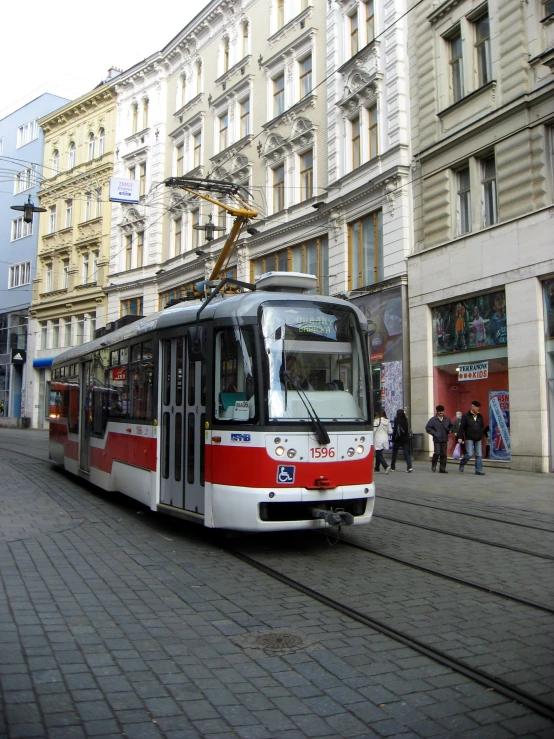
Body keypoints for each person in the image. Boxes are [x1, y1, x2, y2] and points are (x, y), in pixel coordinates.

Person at [457, 400, 486, 475]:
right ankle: (462, 463)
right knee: (469, 454)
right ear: (472, 407)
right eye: (476, 407)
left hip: (478, 438)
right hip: (469, 437)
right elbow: (462, 427)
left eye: (478, 407)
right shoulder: (466, 416)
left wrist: (481, 434)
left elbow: (482, 426)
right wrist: (459, 437)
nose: (477, 408)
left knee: (479, 455)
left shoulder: (480, 416)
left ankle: (478, 470)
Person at [425, 405, 453, 473]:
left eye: (442, 411)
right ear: (437, 411)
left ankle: (442, 468)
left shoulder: (447, 419)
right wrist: (435, 433)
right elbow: (428, 428)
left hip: (444, 439)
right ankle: (434, 465)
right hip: (437, 439)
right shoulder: (433, 420)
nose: (441, 412)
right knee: (437, 453)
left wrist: (450, 430)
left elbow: (451, 426)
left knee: (444, 454)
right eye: (439, 411)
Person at [373, 409, 391, 474]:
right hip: (385, 439)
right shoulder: (387, 421)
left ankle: (386, 466)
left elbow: (373, 431)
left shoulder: (377, 421)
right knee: (379, 453)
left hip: (378, 439)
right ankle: (377, 468)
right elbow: (390, 431)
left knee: (379, 454)